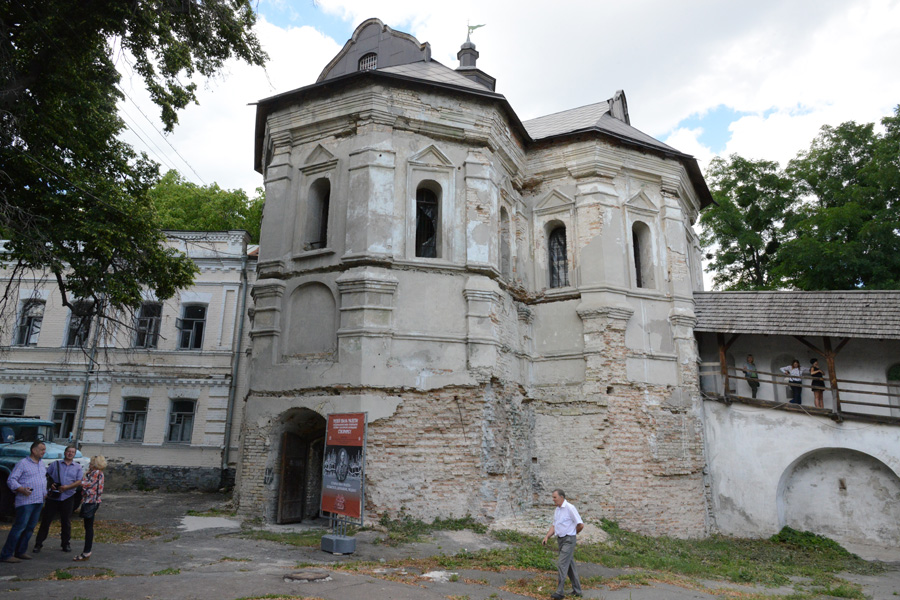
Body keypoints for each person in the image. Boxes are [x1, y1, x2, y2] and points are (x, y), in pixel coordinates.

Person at [1, 441, 47, 563]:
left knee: (30, 528)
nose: (44, 452)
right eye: (42, 449)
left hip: (38, 500)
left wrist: (44, 492)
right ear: (34, 450)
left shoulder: (41, 464)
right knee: (19, 527)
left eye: (44, 449)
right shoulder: (23, 463)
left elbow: (41, 480)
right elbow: (11, 480)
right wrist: (21, 489)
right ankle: (6, 554)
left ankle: (20, 551)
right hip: (26, 501)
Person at [34, 445, 83, 553]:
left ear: (74, 454)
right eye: (68, 451)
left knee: (66, 522)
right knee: (46, 521)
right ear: (65, 453)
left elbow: (79, 481)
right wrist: (50, 485)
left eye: (72, 452)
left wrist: (67, 487)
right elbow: (46, 476)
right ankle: (38, 543)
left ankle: (65, 544)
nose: (70, 453)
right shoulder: (55, 464)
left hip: (68, 496)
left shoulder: (77, 467)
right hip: (54, 497)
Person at [542, 489, 584, 599]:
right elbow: (554, 526)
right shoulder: (557, 510)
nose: (553, 499)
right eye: (553, 497)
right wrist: (547, 536)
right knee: (570, 566)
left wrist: (572, 534)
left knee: (562, 564)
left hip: (569, 540)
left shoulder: (570, 508)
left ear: (561, 497)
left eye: (555, 497)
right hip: (560, 540)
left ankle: (560, 592)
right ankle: (577, 591)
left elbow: (580, 524)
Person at [73, 455, 106, 562]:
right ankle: (87, 551)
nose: (90, 465)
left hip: (91, 502)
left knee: (88, 527)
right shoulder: (98, 473)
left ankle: (87, 552)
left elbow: (87, 485)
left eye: (91, 463)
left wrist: (76, 482)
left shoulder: (96, 473)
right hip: (93, 501)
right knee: (88, 526)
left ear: (95, 464)